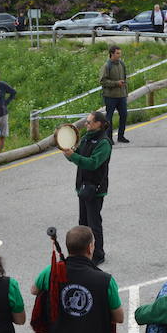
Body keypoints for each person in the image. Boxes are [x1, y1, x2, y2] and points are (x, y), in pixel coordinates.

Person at [60, 111, 112, 266]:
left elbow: (92, 163)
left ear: (98, 124)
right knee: (83, 222)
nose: (86, 124)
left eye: (89, 122)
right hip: (83, 187)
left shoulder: (104, 143)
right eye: (86, 121)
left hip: (95, 189)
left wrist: (74, 156)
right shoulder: (85, 138)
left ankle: (98, 254)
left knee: (94, 224)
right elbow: (78, 156)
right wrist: (68, 153)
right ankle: (82, 253)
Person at [100, 45, 129, 143]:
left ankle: (121, 136)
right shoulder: (107, 66)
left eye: (120, 53)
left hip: (122, 96)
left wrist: (125, 92)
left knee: (124, 115)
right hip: (110, 96)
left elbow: (125, 78)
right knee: (109, 117)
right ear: (112, 54)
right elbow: (102, 81)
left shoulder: (122, 64)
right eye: (117, 53)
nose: (119, 55)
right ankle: (109, 138)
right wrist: (116, 83)